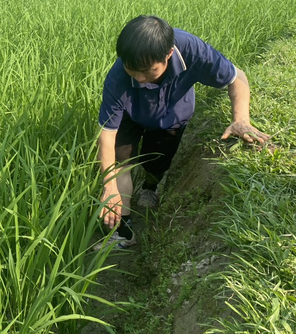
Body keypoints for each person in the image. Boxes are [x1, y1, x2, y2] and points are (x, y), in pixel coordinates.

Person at [94, 15, 269, 250]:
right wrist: (109, 187)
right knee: (119, 165)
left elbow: (237, 78)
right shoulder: (118, 77)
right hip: (130, 112)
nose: (139, 78)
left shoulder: (194, 52)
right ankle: (123, 234)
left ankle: (150, 187)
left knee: (157, 162)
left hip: (171, 115)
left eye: (147, 71)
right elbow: (106, 133)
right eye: (132, 70)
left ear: (168, 55)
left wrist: (241, 119)